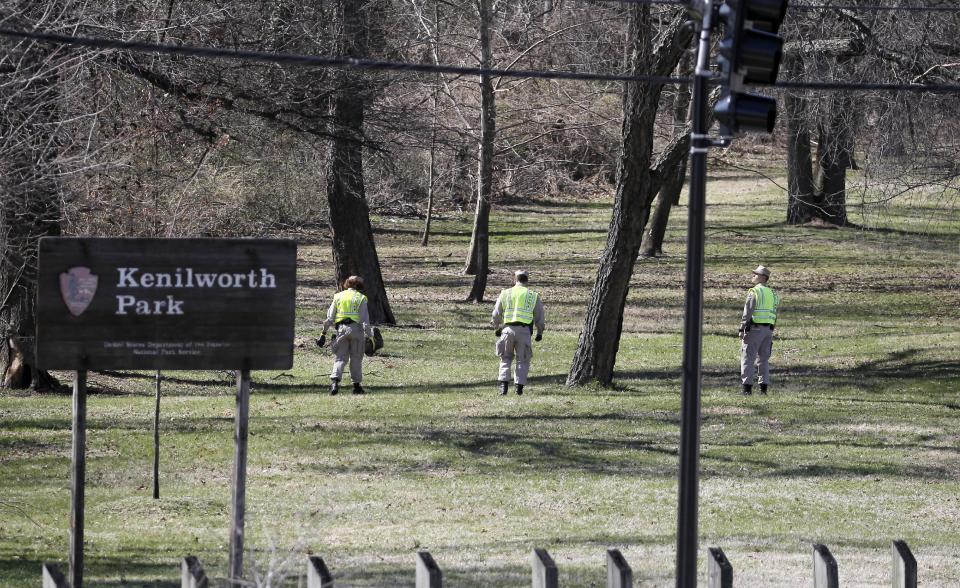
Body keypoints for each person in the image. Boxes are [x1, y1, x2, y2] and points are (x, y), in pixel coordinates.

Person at [490, 270, 546, 396]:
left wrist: (496, 327)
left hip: (507, 330)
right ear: (527, 280)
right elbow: (539, 317)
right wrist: (539, 332)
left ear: (514, 279)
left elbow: (496, 314)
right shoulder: (533, 295)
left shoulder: (505, 293)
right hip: (524, 331)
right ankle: (518, 388)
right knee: (523, 359)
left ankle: (503, 387)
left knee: (505, 358)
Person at [319, 275, 374, 395]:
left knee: (340, 358)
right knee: (356, 358)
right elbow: (365, 322)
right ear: (359, 285)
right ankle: (356, 386)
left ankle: (334, 383)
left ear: (347, 284)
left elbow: (329, 319)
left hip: (341, 330)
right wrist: (371, 337)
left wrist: (323, 334)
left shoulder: (338, 296)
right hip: (356, 330)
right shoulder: (361, 298)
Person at [739, 265, 780, 396]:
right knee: (763, 360)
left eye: (755, 274)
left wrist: (742, 328)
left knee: (748, 358)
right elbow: (775, 313)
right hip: (768, 330)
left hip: (755, 330)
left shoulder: (754, 292)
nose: (753, 276)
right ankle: (763, 389)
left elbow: (748, 312)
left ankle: (747, 389)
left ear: (763, 277)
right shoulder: (773, 294)